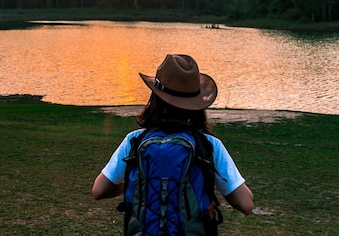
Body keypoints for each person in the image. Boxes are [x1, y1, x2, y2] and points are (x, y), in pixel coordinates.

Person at [92, 54, 254, 218]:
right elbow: (246, 204)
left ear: (154, 98)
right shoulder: (209, 145)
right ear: (197, 103)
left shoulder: (135, 140)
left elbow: (99, 190)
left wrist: (138, 183)